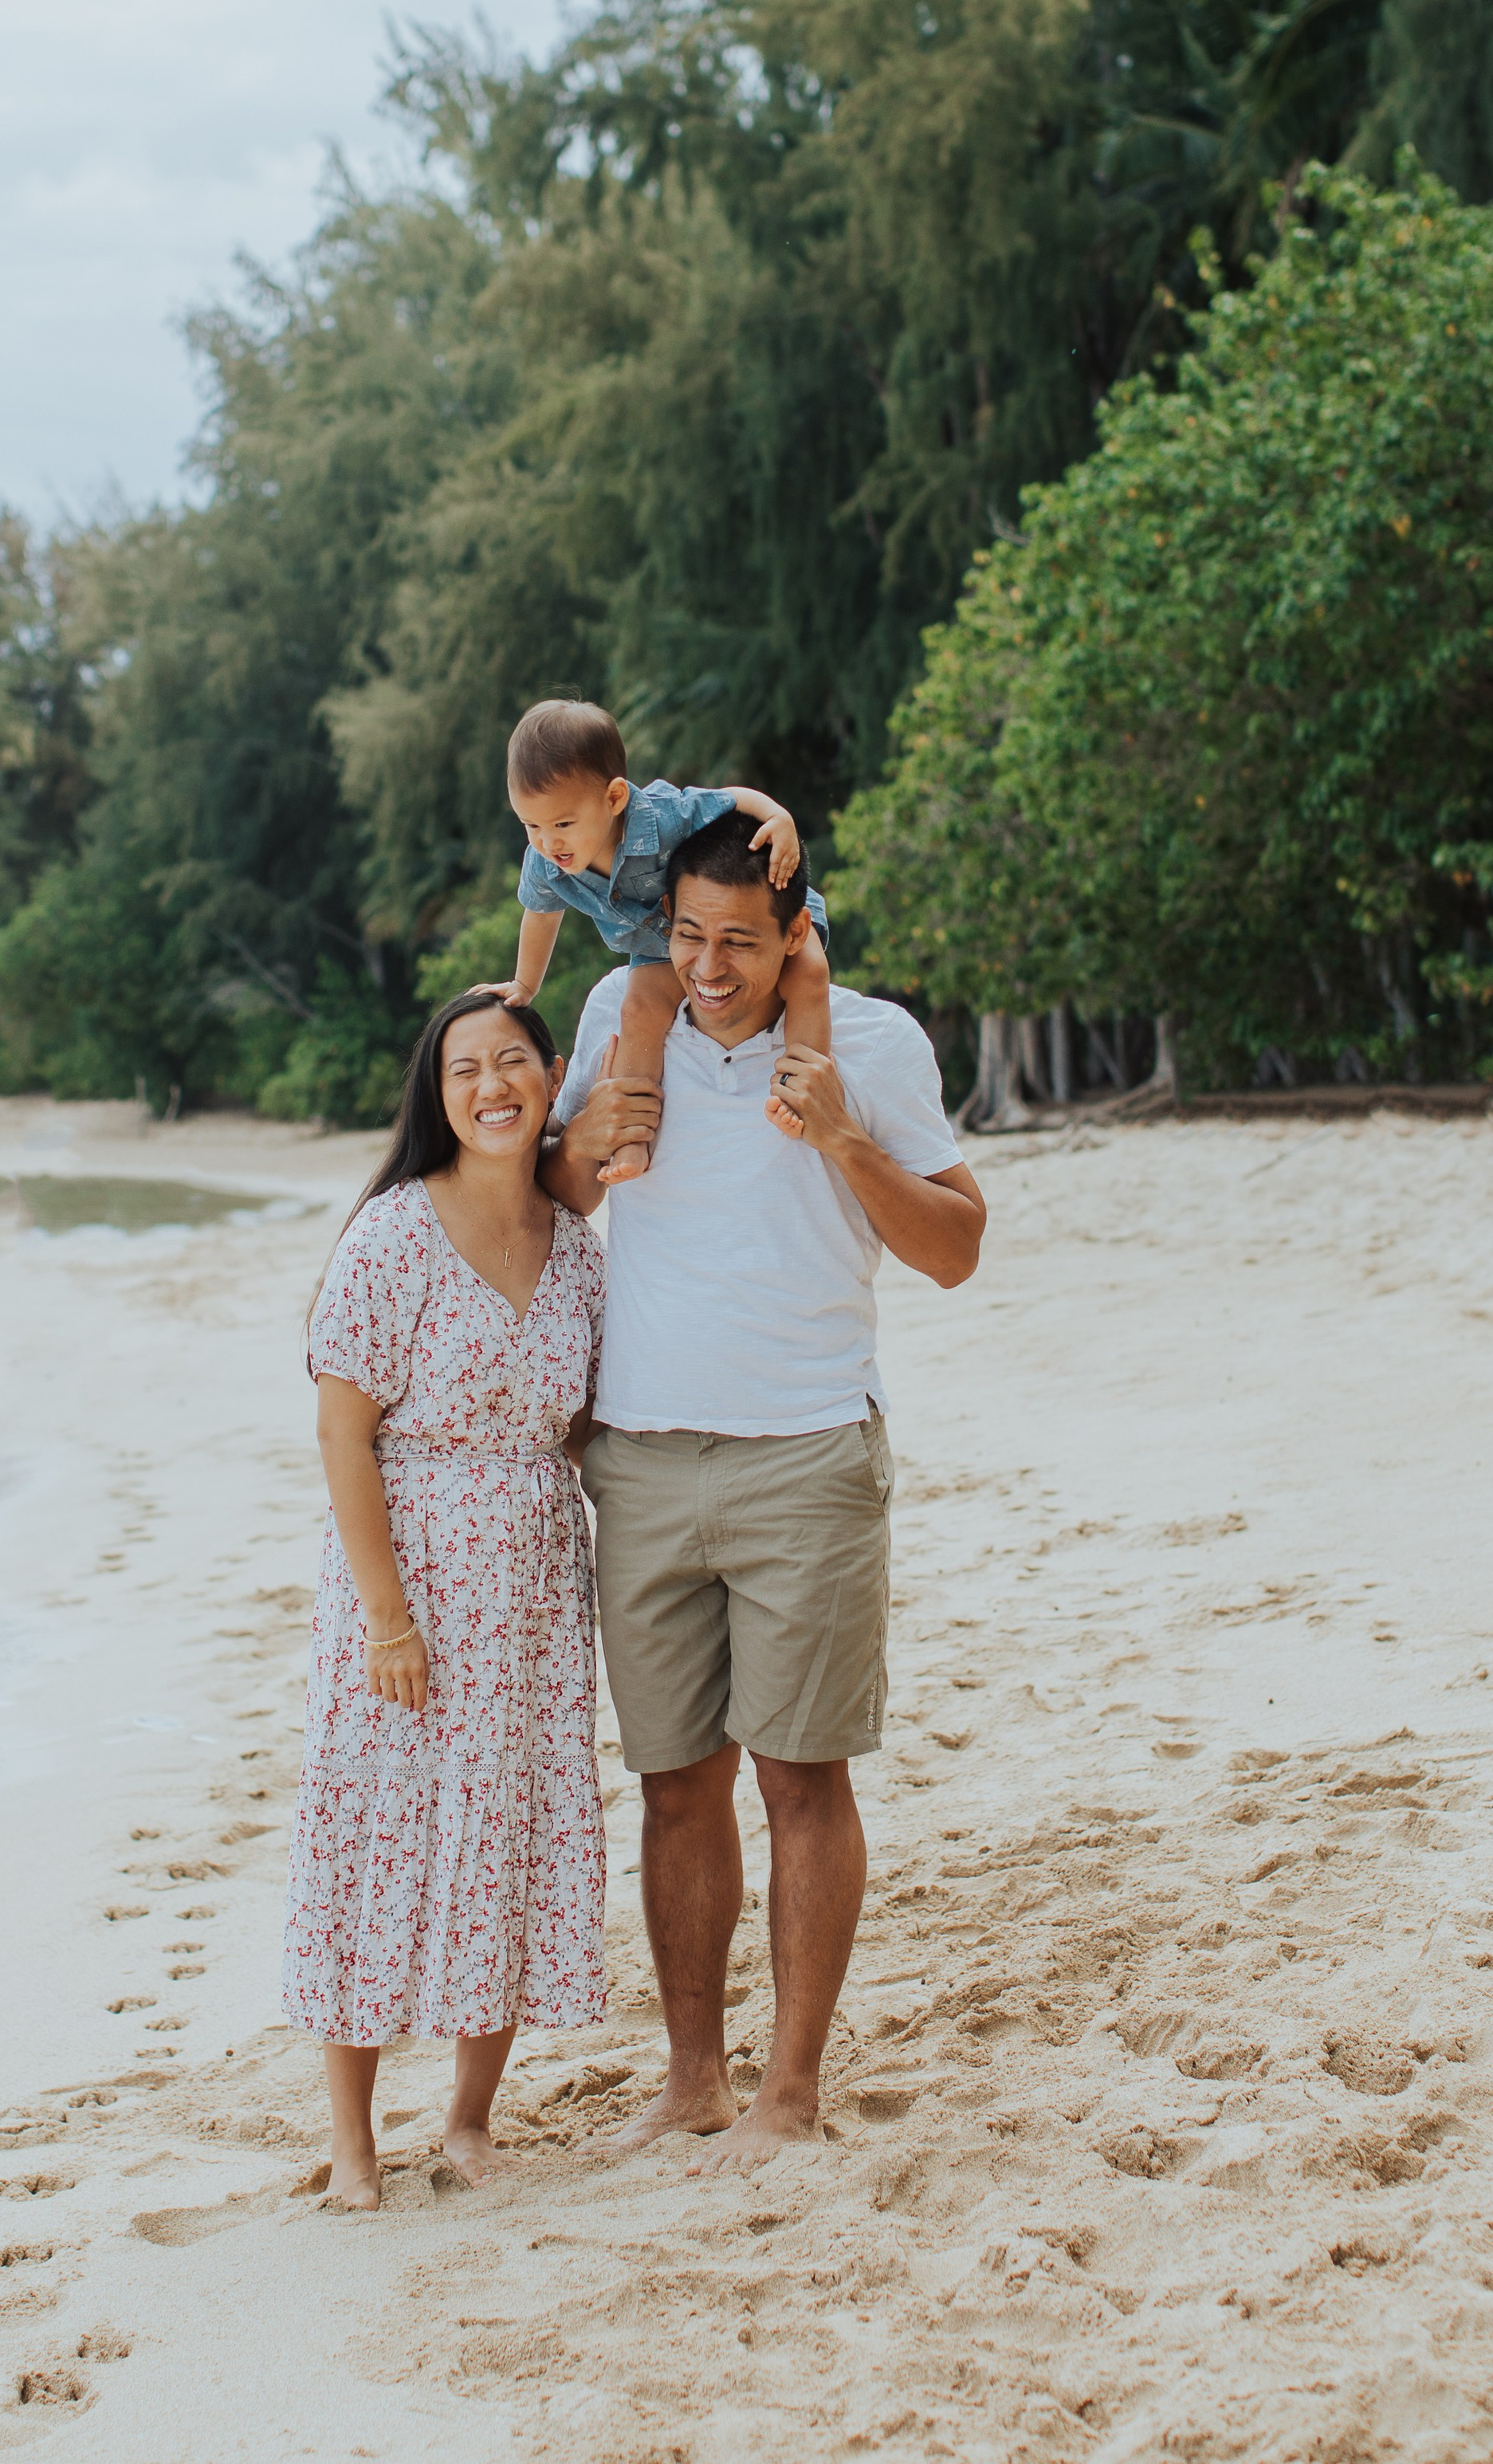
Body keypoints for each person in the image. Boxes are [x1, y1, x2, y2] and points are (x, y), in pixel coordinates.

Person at [542, 808, 986, 2173]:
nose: (710, 967)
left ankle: (790, 2090)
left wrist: (846, 1140)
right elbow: (551, 1196)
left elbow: (957, 1248)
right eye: (688, 935)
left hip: (808, 1452)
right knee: (676, 1784)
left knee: (802, 1777)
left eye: (741, 940)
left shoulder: (875, 1042)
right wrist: (582, 1141)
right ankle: (693, 2080)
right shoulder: (623, 1019)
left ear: (800, 934)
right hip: (643, 1459)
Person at [282, 991, 607, 2211]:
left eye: (511, 1062)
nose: (490, 1086)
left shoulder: (579, 1249)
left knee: (507, 1834)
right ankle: (353, 2143)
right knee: (376, 1831)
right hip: (407, 1581)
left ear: (549, 1076)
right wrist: (387, 1617)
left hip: (532, 1594)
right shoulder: (392, 1236)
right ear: (438, 1091)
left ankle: (471, 2120)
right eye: (464, 1068)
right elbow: (342, 1435)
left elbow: (583, 1426)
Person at [485, 698, 831, 1185]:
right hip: (660, 946)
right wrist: (525, 983)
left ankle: (802, 1090)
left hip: (747, 922)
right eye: (531, 825)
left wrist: (780, 819)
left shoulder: (663, 816)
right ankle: (633, 1138)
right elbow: (541, 916)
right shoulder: (545, 862)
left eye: (562, 824)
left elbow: (730, 798)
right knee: (638, 1012)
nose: (547, 841)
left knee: (809, 973)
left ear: (614, 798)